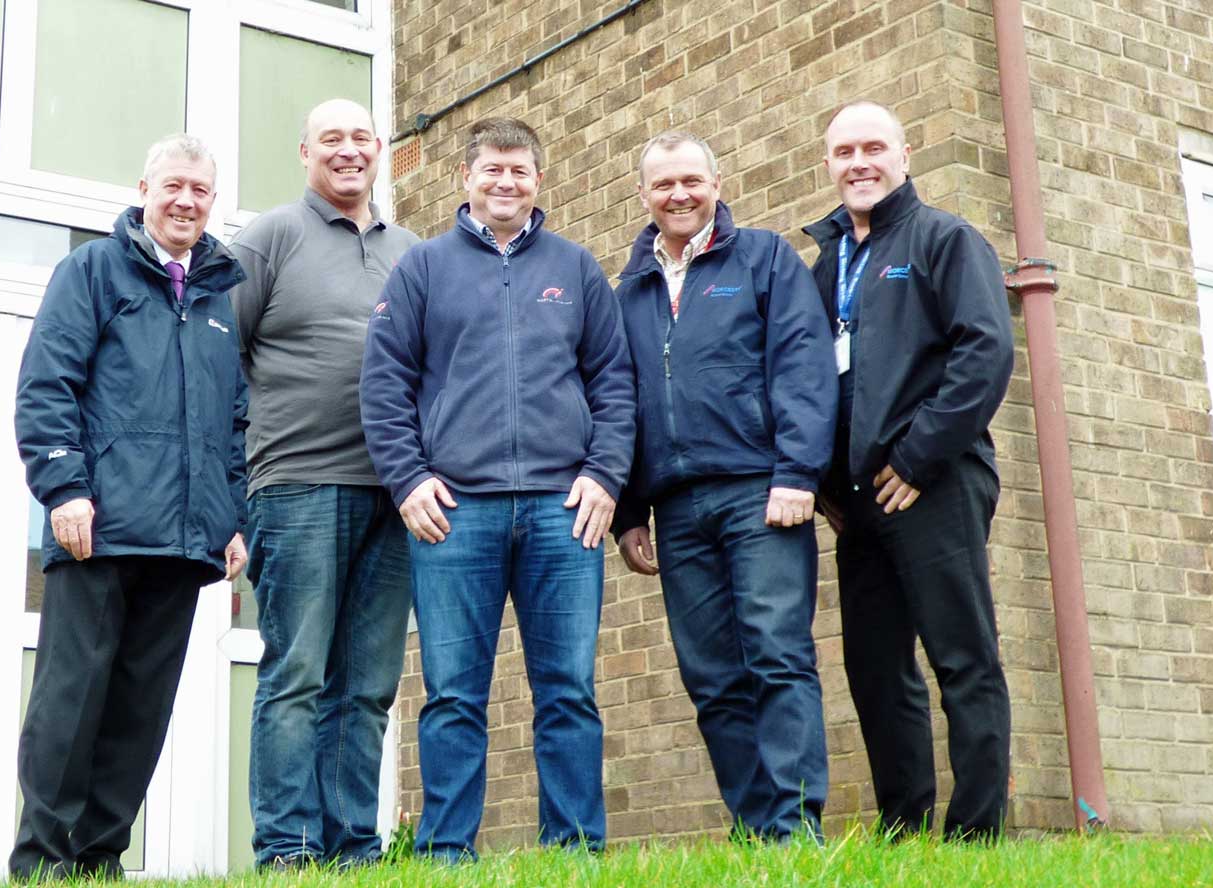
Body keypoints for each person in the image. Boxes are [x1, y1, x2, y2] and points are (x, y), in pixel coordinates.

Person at [359, 117, 635, 861]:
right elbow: (384, 386)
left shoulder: (576, 269)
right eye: (491, 170)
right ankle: (447, 855)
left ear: (538, 180)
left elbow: (614, 382)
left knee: (568, 692)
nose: (505, 183)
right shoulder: (422, 269)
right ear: (466, 177)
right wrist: (408, 480)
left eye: (519, 170)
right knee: (452, 696)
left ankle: (575, 851)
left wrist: (605, 475)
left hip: (562, 512)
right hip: (456, 514)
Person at [10, 134, 249, 881]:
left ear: (213, 202)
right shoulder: (90, 271)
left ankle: (99, 858)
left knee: (140, 712)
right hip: (99, 529)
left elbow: (235, 420)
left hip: (183, 542)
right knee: (70, 703)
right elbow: (47, 385)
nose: (185, 201)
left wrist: (234, 515)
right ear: (143, 186)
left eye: (200, 191)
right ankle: (43, 860)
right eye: (173, 185)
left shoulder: (218, 297)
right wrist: (64, 488)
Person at [610, 131, 837, 841]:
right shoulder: (630, 288)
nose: (678, 195)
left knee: (776, 653)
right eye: (663, 184)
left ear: (717, 181)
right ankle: (754, 823)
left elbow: (803, 368)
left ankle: (796, 826)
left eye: (691, 181)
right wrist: (627, 512)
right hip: (675, 508)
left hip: (760, 492)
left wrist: (798, 472)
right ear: (643, 195)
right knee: (711, 675)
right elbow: (618, 402)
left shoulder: (764, 258)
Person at [803, 100, 1014, 840]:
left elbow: (984, 353)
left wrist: (919, 458)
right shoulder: (827, 262)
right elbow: (814, 381)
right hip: (859, 501)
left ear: (905, 153)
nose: (858, 163)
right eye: (842, 151)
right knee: (875, 667)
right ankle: (903, 829)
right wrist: (826, 484)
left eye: (873, 147)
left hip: (935, 482)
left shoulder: (943, 239)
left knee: (963, 658)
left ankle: (976, 833)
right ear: (827, 164)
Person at [228, 98, 420, 870]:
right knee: (298, 673)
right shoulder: (270, 238)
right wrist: (234, 490)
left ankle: (352, 847)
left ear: (379, 152)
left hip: (398, 495)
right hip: (296, 484)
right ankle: (286, 849)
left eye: (361, 138)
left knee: (368, 684)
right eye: (331, 139)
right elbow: (222, 363)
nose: (348, 151)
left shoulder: (413, 250)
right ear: (304, 151)